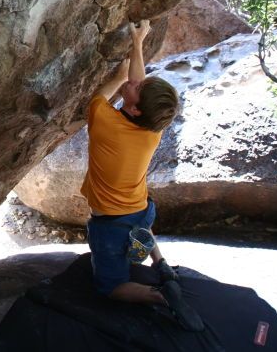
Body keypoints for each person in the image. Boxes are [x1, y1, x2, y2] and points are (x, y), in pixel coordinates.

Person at [80, 19, 204, 332]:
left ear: (135, 109)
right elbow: (139, 87)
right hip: (140, 211)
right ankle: (161, 265)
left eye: (137, 89)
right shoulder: (152, 129)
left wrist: (120, 77)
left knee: (110, 287)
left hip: (111, 225)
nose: (136, 82)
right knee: (139, 230)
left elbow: (96, 98)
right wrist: (138, 42)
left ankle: (161, 295)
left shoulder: (105, 122)